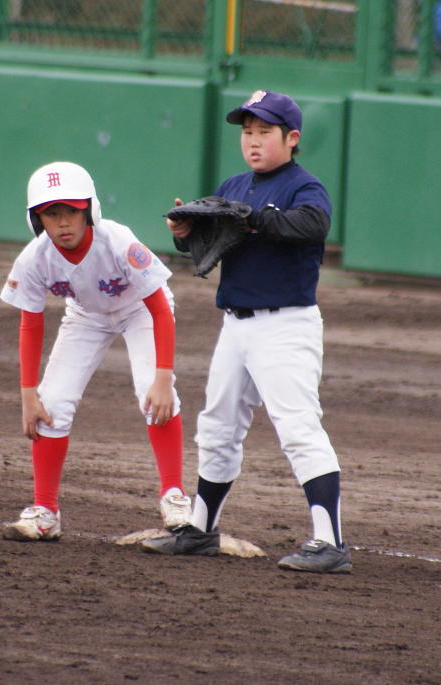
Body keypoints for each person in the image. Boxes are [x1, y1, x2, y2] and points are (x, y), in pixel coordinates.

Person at [142, 90, 350, 573]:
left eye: (264, 132)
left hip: (285, 326)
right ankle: (201, 530)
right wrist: (187, 234)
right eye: (247, 132)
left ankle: (330, 542)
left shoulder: (304, 186)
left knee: (298, 428)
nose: (252, 141)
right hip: (235, 326)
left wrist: (255, 218)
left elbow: (314, 225)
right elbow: (215, 243)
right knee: (217, 427)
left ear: (291, 138)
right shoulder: (234, 185)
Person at [0, 161, 191, 541]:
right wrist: (28, 394)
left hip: (140, 310)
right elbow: (30, 325)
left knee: (152, 393)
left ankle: (174, 496)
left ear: (89, 209)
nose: (63, 222)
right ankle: (45, 512)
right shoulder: (35, 258)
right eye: (51, 214)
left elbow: (158, 308)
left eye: (71, 211)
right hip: (86, 316)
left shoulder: (117, 242)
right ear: (36, 220)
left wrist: (163, 377)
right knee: (51, 403)